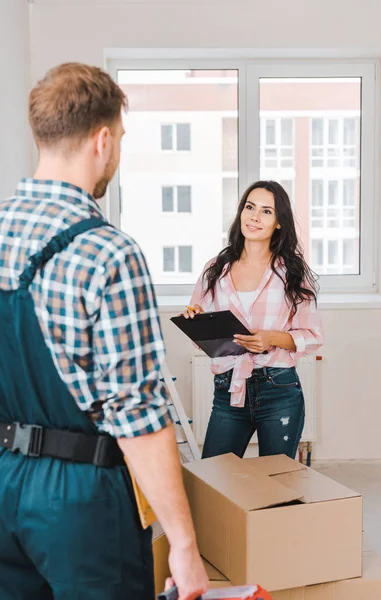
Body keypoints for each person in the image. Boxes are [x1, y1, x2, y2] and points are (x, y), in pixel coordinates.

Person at [0, 63, 207, 600]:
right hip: (81, 497)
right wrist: (184, 543)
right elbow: (137, 415)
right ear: (102, 139)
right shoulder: (108, 253)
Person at [184, 181, 323, 460]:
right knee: (215, 478)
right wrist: (195, 319)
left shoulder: (292, 273)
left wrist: (270, 338)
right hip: (228, 388)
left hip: (279, 390)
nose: (254, 217)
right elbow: (204, 331)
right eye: (250, 207)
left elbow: (312, 335)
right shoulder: (216, 268)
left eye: (266, 211)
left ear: (279, 223)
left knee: (276, 485)